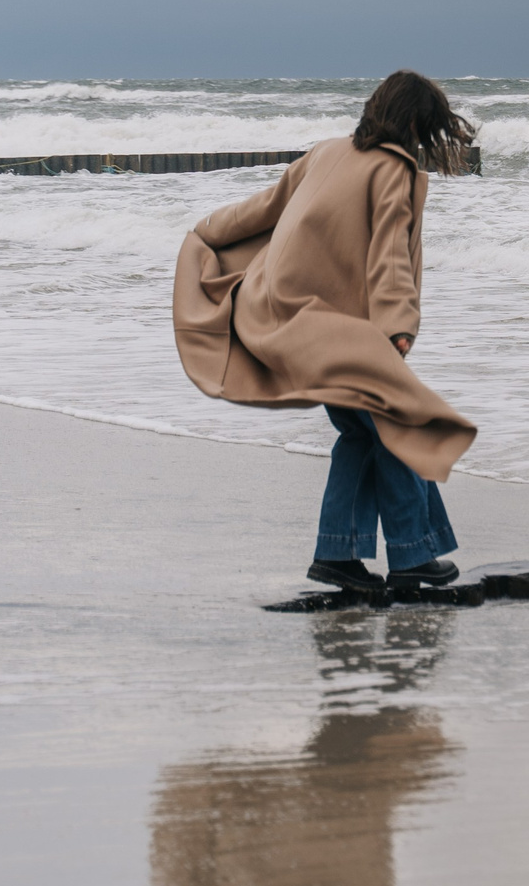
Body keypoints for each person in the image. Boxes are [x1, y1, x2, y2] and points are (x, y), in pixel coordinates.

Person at [173, 70, 480, 590]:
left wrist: (206, 230)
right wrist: (397, 325)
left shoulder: (326, 151)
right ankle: (411, 556)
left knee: (361, 434)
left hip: (281, 315)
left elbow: (264, 208)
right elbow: (388, 253)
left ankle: (338, 554)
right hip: (338, 329)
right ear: (412, 122)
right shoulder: (393, 169)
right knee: (399, 427)